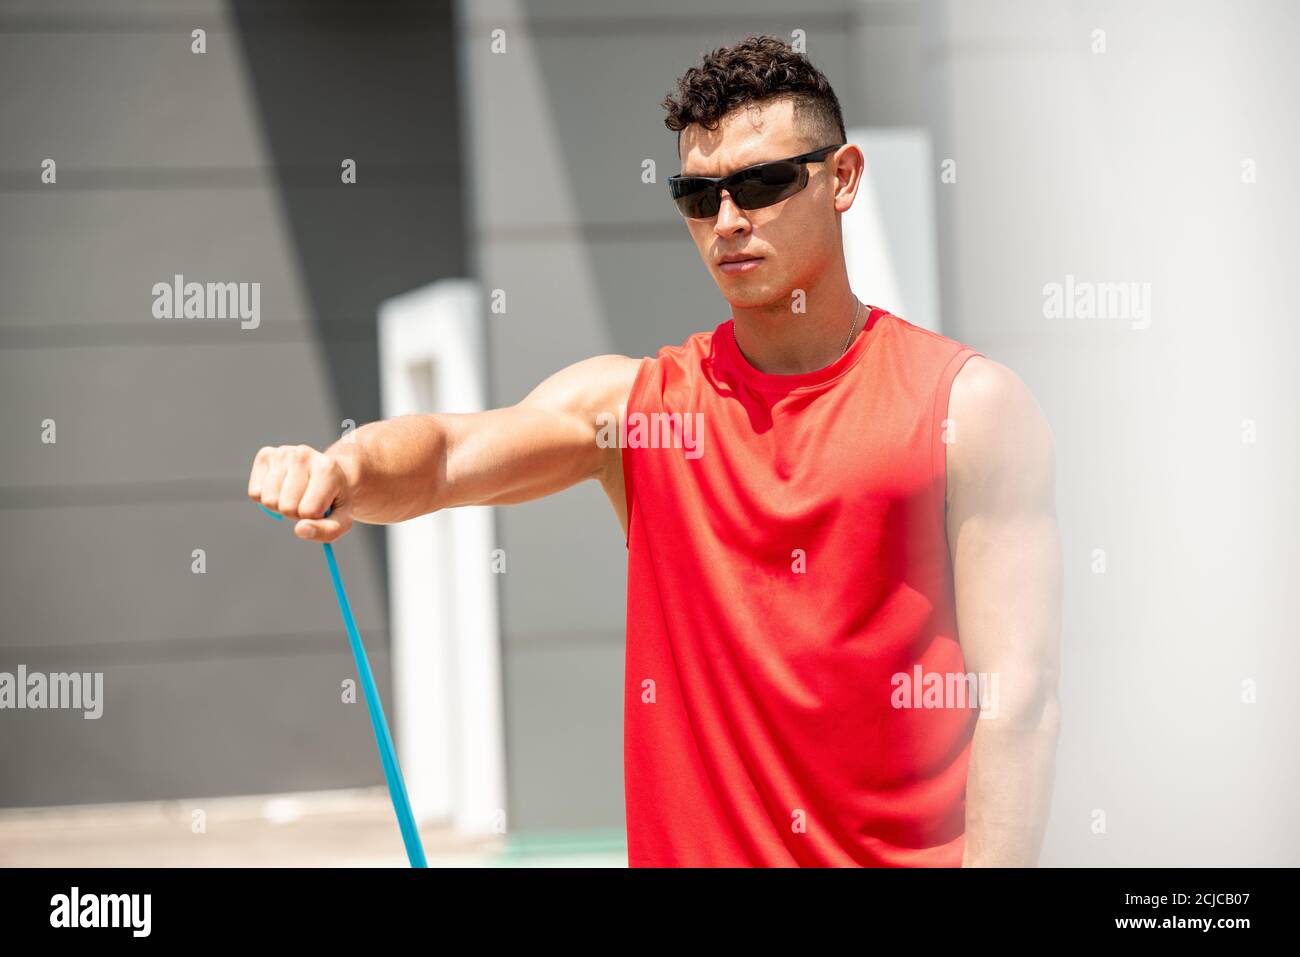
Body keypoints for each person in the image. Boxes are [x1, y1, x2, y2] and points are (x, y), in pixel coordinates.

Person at [247, 34, 1061, 867]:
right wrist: (341, 468)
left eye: (764, 183)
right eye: (699, 196)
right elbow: (448, 455)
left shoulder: (970, 407)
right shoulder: (640, 409)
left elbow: (1016, 700)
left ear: (843, 178)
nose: (729, 222)